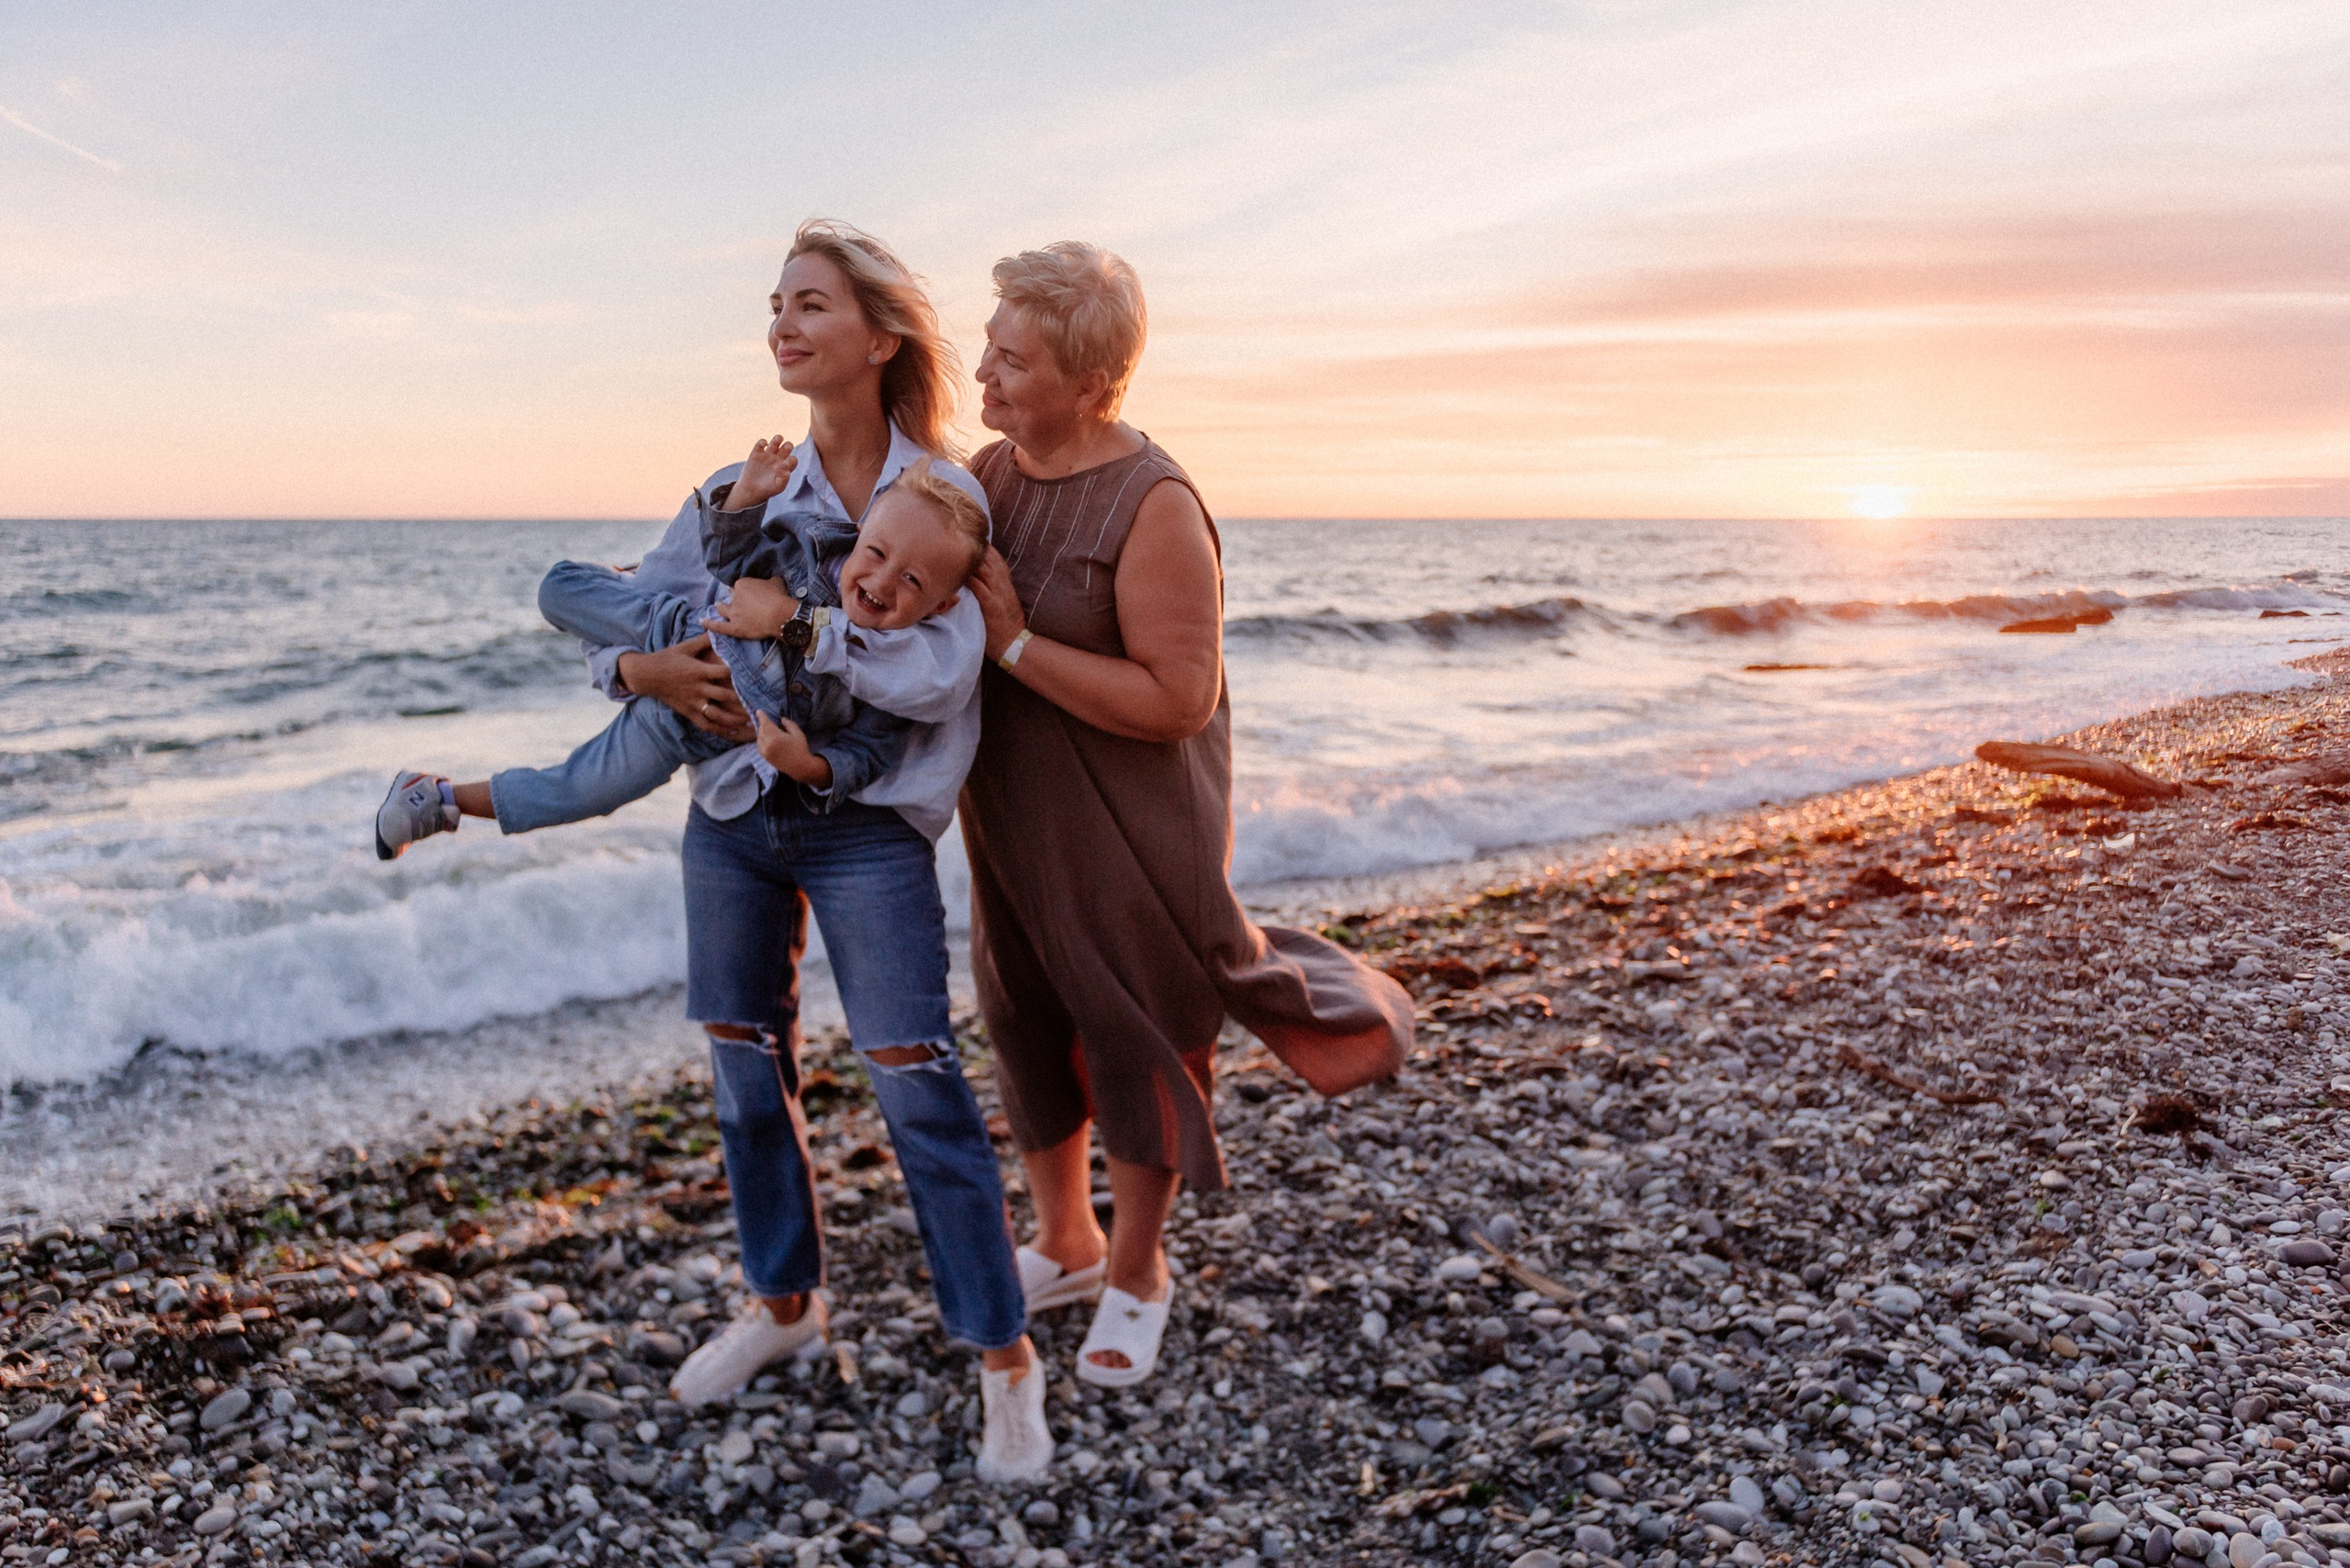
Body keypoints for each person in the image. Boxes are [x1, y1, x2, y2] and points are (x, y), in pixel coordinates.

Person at [419, 220, 1047, 1479]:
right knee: (745, 1072)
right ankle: (783, 1305)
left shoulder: (946, 499)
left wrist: (794, 625)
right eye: (775, 304)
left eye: (810, 304)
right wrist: (641, 672)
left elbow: (939, 671)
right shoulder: (735, 489)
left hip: (866, 828)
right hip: (730, 818)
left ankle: (1003, 1357)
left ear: (881, 337)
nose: (782, 324)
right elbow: (636, 619)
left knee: (914, 1078)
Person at [956, 242, 1415, 1388]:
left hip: (1133, 823)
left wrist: (1014, 644)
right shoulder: (988, 473)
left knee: (1134, 1027)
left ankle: (1138, 1269)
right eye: (989, 347)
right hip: (1009, 811)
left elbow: (1178, 699)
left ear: (1088, 382)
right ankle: (1066, 1240)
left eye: (1014, 360)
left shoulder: (1153, 503)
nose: (984, 373)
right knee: (1022, 1016)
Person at [370, 445, 990, 859]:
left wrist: (807, 766)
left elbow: (866, 755)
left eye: (912, 581)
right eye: (876, 554)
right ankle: (624, 574)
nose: (882, 582)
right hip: (677, 632)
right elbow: (727, 560)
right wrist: (744, 499)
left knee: (583, 790)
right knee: (557, 588)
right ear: (858, 536)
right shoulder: (809, 553)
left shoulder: (898, 671)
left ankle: (438, 799)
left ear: (941, 606)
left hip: (688, 733)